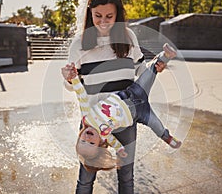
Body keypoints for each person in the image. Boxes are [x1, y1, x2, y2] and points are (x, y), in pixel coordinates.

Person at [61, 0, 167, 194]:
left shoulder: (128, 38)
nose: (103, 22)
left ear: (118, 14)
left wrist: (155, 69)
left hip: (125, 119)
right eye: (97, 16)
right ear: (89, 14)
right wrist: (68, 78)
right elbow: (72, 85)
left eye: (109, 16)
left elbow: (141, 71)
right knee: (85, 178)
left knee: (126, 177)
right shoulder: (79, 44)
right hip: (93, 122)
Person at [68, 43, 181, 172]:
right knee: (155, 124)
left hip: (130, 94)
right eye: (91, 143)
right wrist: (120, 149)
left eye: (83, 141)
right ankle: (167, 137)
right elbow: (113, 141)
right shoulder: (104, 134)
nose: (88, 139)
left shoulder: (86, 116)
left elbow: (81, 96)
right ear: (99, 143)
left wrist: (75, 80)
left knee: (149, 74)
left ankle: (165, 55)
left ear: (79, 137)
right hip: (138, 113)